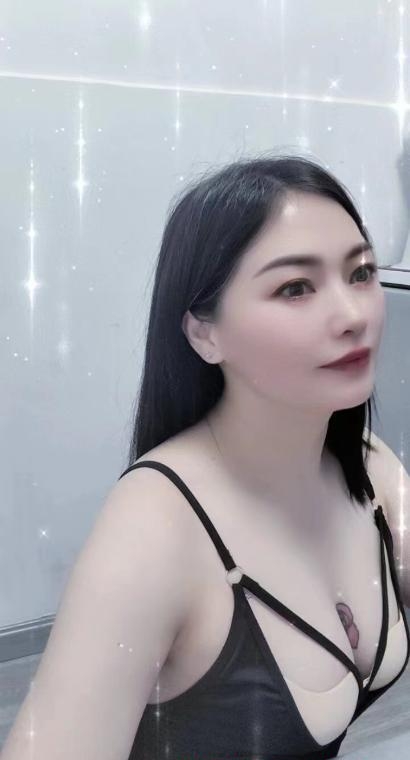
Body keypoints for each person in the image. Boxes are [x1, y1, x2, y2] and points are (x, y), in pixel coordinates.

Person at [2, 153, 410, 760]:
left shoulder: (371, 468)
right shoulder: (154, 532)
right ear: (203, 332)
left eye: (360, 273)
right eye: (294, 288)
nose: (354, 315)